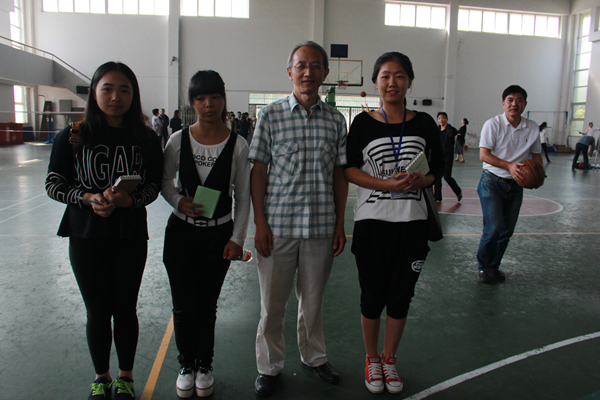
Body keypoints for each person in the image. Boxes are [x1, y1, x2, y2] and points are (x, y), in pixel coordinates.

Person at [45, 61, 163, 400]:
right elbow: (54, 184)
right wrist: (86, 198)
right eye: (107, 89)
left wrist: (130, 201)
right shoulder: (73, 135)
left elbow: (153, 186)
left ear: (134, 95)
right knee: (96, 312)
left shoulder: (146, 138)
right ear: (94, 92)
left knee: (125, 309)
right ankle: (101, 377)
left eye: (124, 90)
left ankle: (125, 377)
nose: (115, 97)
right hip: (86, 236)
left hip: (129, 236)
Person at [249, 40, 348, 397]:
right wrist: (260, 224)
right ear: (289, 71)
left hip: (320, 227)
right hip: (277, 228)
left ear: (325, 73)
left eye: (315, 66)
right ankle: (269, 366)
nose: (308, 72)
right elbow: (258, 171)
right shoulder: (270, 115)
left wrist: (340, 224)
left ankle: (314, 357)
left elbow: (339, 174)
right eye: (301, 65)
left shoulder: (336, 120)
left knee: (313, 302)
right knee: (272, 306)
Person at [344, 51, 444, 395]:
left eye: (399, 76)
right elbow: (350, 169)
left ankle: (389, 359)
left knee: (401, 297)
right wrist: (386, 184)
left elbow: (437, 169)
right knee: (372, 296)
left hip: (413, 224)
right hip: (372, 223)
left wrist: (421, 180)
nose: (392, 82)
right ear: (375, 82)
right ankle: (372, 358)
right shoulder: (362, 124)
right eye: (385, 76)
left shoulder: (425, 123)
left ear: (409, 82)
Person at [161, 70, 251, 398]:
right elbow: (164, 181)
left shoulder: (238, 144)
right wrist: (178, 201)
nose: (208, 104)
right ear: (192, 102)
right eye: (200, 98)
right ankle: (186, 364)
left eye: (214, 97)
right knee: (183, 305)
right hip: (181, 235)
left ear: (224, 99)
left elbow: (243, 197)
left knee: (207, 305)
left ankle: (205, 365)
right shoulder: (177, 140)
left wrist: (237, 239)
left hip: (218, 236)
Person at [477, 85, 542, 284]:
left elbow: (536, 156)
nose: (515, 104)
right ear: (503, 103)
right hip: (492, 181)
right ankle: (484, 267)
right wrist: (509, 165)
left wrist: (538, 174)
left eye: (519, 100)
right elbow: (484, 155)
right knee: (494, 227)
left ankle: (494, 266)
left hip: (516, 185)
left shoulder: (532, 127)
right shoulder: (493, 124)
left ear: (525, 104)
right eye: (510, 100)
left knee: (507, 231)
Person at [433, 112, 462, 202]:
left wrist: (447, 126)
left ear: (446, 119)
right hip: (438, 156)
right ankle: (437, 196)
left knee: (447, 177)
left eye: (443, 118)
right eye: (439, 118)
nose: (441, 120)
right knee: (437, 177)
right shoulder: (437, 130)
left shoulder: (450, 129)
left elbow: (452, 133)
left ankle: (458, 192)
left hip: (448, 156)